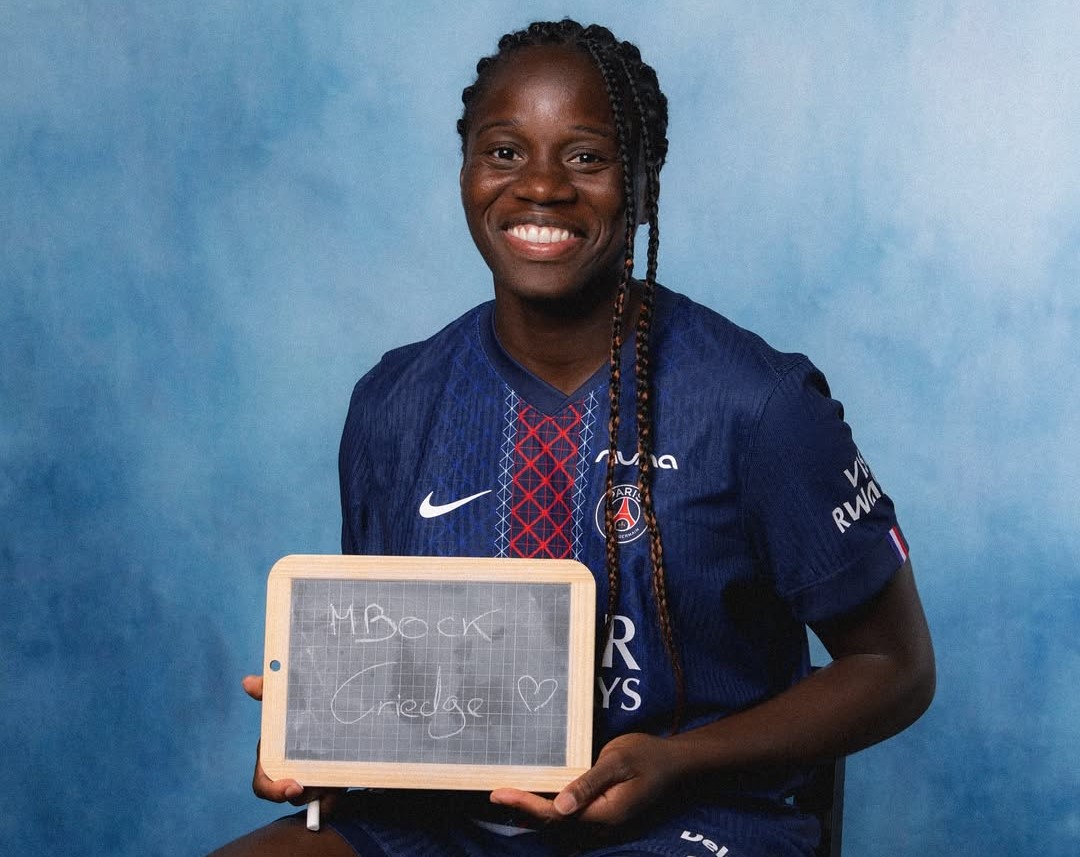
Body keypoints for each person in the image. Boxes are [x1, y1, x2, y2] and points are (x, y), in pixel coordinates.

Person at [210, 19, 935, 857]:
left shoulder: (758, 405)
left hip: (688, 816)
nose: (541, 186)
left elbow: (896, 666)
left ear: (644, 184)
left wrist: (679, 759)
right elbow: (395, 674)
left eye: (586, 157)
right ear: (466, 172)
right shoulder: (393, 403)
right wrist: (322, 738)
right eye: (505, 152)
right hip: (446, 822)